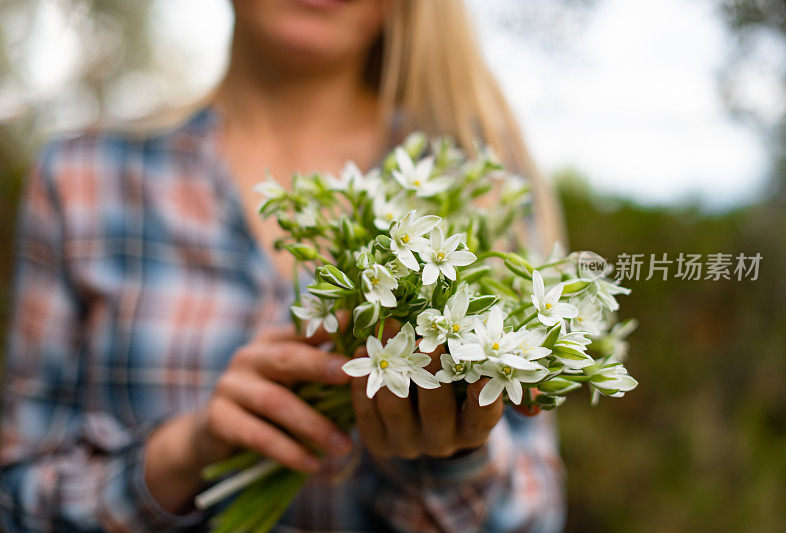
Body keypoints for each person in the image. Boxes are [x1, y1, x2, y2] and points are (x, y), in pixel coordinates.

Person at [0, 0, 566, 531]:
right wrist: (182, 453)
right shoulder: (84, 178)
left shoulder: (479, 191)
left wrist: (454, 456)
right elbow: (16, 498)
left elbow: (537, 516)